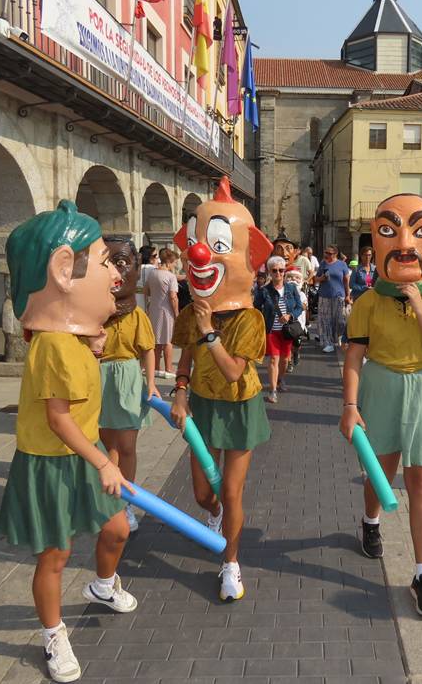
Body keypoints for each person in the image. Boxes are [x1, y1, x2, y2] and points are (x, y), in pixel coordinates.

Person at [0, 201, 135, 684]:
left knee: (116, 529)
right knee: (54, 557)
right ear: (62, 270)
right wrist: (105, 461)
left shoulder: (71, 339)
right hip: (52, 462)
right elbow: (58, 420)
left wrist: (92, 346)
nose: (115, 274)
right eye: (103, 262)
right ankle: (53, 634)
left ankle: (102, 585)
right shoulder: (54, 343)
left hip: (81, 456)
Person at [341, 194, 422, 619]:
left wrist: (417, 304)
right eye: (390, 231)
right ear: (377, 241)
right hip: (381, 387)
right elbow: (354, 356)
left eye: (420, 230)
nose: (406, 243)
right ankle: (371, 522)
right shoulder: (367, 303)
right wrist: (350, 405)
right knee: (381, 472)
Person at [170, 177, 274, 602]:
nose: (198, 252)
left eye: (214, 244)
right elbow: (185, 360)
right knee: (202, 494)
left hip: (240, 406)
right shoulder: (190, 312)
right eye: (196, 241)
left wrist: (209, 328)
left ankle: (230, 563)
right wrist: (179, 394)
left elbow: (233, 373)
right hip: (202, 407)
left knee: (232, 492)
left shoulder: (251, 320)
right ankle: (216, 517)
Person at [98, 237, 159, 534]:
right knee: (107, 446)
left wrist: (151, 383)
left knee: (127, 446)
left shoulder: (137, 315)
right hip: (98, 378)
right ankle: (112, 501)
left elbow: (148, 349)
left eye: (121, 263)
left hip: (128, 378)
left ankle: (127, 501)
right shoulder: (95, 312)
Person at [254, 255, 303, 403]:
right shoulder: (264, 291)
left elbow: (299, 307)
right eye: (274, 270)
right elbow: (256, 308)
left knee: (285, 360)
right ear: (269, 271)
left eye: (281, 270)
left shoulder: (291, 288)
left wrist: (290, 315)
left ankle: (281, 378)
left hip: (287, 331)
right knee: (274, 359)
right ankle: (273, 390)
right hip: (271, 331)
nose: (278, 274)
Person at [144, 248, 180, 379]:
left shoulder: (153, 274)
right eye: (175, 262)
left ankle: (157, 368)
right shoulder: (170, 277)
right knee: (167, 341)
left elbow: (146, 291)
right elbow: (173, 297)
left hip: (154, 308)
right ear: (169, 262)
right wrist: (176, 313)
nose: (175, 265)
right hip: (166, 311)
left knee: (157, 341)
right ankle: (169, 368)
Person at [314, 245, 351, 353]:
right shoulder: (323, 264)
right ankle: (328, 343)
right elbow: (316, 278)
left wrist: (348, 295)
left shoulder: (342, 264)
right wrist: (321, 278)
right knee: (325, 320)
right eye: (325, 253)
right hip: (324, 296)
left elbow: (346, 281)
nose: (326, 255)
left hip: (339, 296)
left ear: (335, 254)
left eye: (329, 253)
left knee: (340, 320)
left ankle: (339, 337)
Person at [285, 265, 309, 370]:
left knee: (296, 344)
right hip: (287, 323)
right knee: (287, 344)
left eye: (296, 278)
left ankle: (296, 352)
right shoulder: (283, 293)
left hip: (298, 324)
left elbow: (304, 306)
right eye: (290, 277)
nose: (293, 280)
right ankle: (289, 362)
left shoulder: (302, 294)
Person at [135, 245, 158, 311]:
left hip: (135, 298)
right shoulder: (153, 269)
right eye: (155, 256)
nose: (157, 258)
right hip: (148, 299)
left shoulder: (134, 268)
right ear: (150, 257)